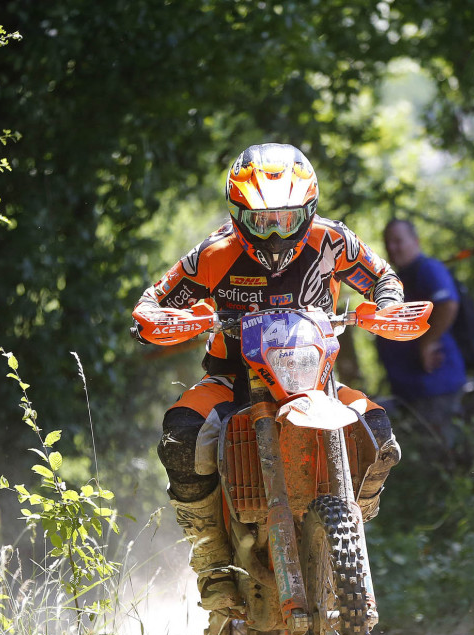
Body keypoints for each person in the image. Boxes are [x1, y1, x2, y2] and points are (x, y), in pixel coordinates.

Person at [132, 143, 404, 611]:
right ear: (238, 215)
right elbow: (152, 302)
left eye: (288, 218)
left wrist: (387, 308)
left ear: (310, 210)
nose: (276, 233)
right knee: (181, 436)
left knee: (378, 433)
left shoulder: (332, 240)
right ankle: (212, 560)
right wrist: (163, 320)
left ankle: (352, 527)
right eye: (261, 221)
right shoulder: (214, 253)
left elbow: (385, 277)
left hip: (315, 381)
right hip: (231, 381)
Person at [374, 218, 467, 446]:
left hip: (435, 385)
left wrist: (428, 342)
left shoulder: (428, 269)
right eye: (388, 242)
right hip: (410, 388)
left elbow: (448, 304)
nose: (392, 248)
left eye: (398, 241)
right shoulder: (399, 278)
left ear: (416, 241)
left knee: (440, 450)